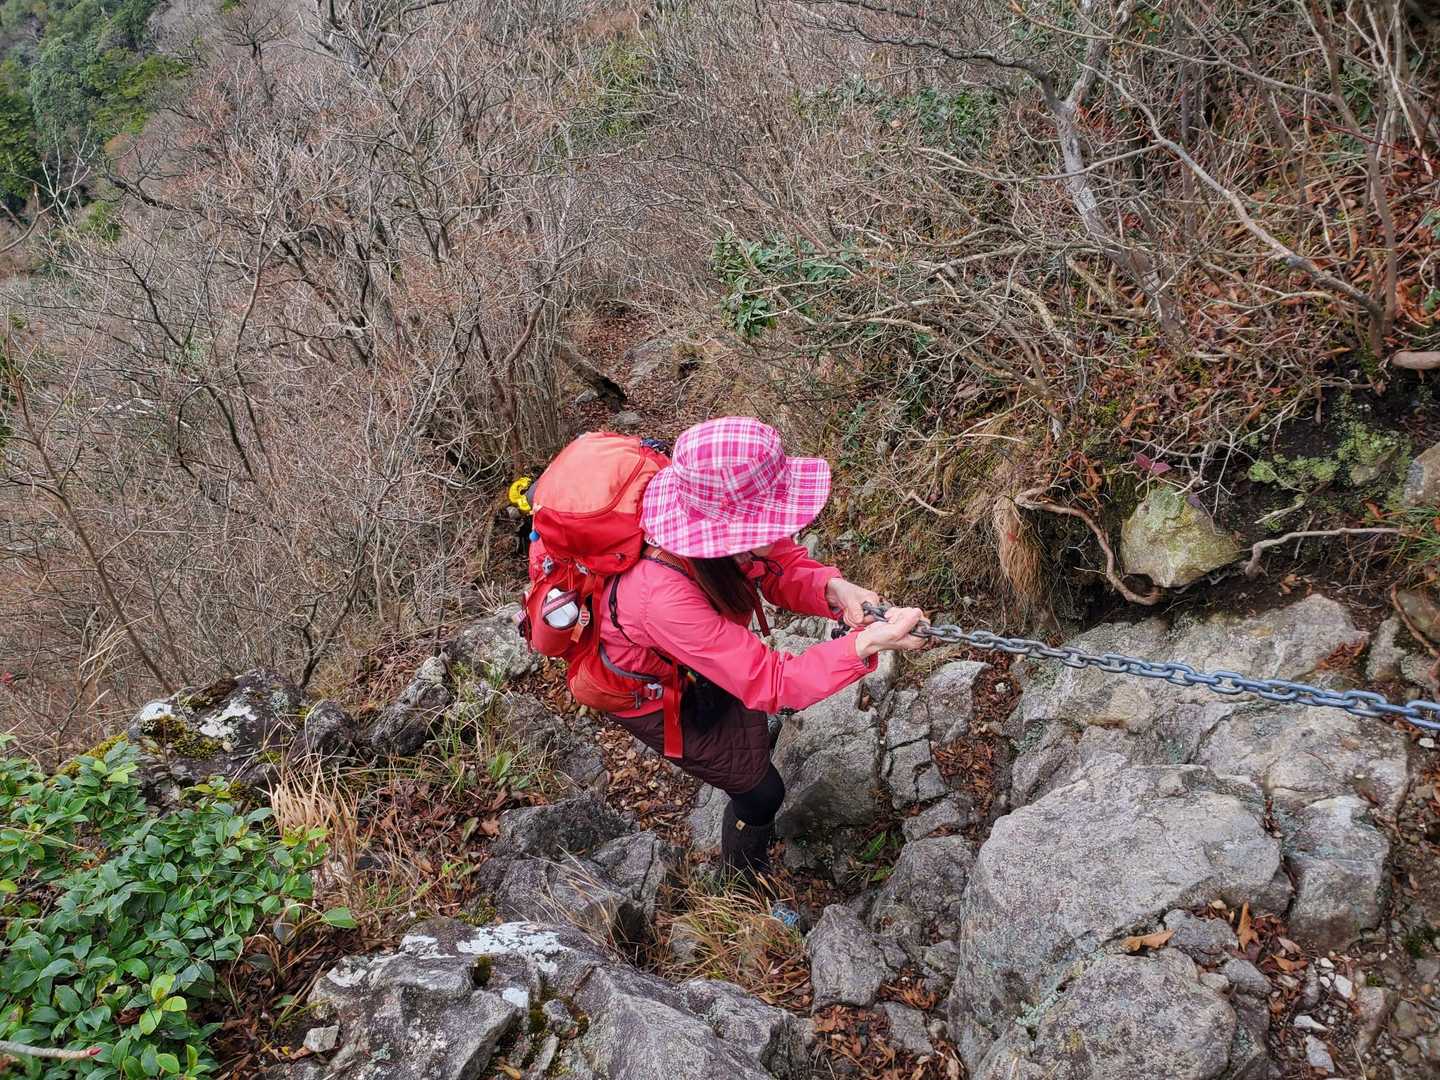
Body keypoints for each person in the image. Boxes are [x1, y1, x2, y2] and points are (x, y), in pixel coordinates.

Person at [598, 416, 927, 881]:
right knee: (761, 793)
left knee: (749, 726)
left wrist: (834, 589)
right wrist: (866, 643)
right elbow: (770, 681)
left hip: (697, 656)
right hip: (652, 691)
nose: (777, 532)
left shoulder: (716, 522)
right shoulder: (660, 596)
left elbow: (775, 565)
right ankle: (740, 889)